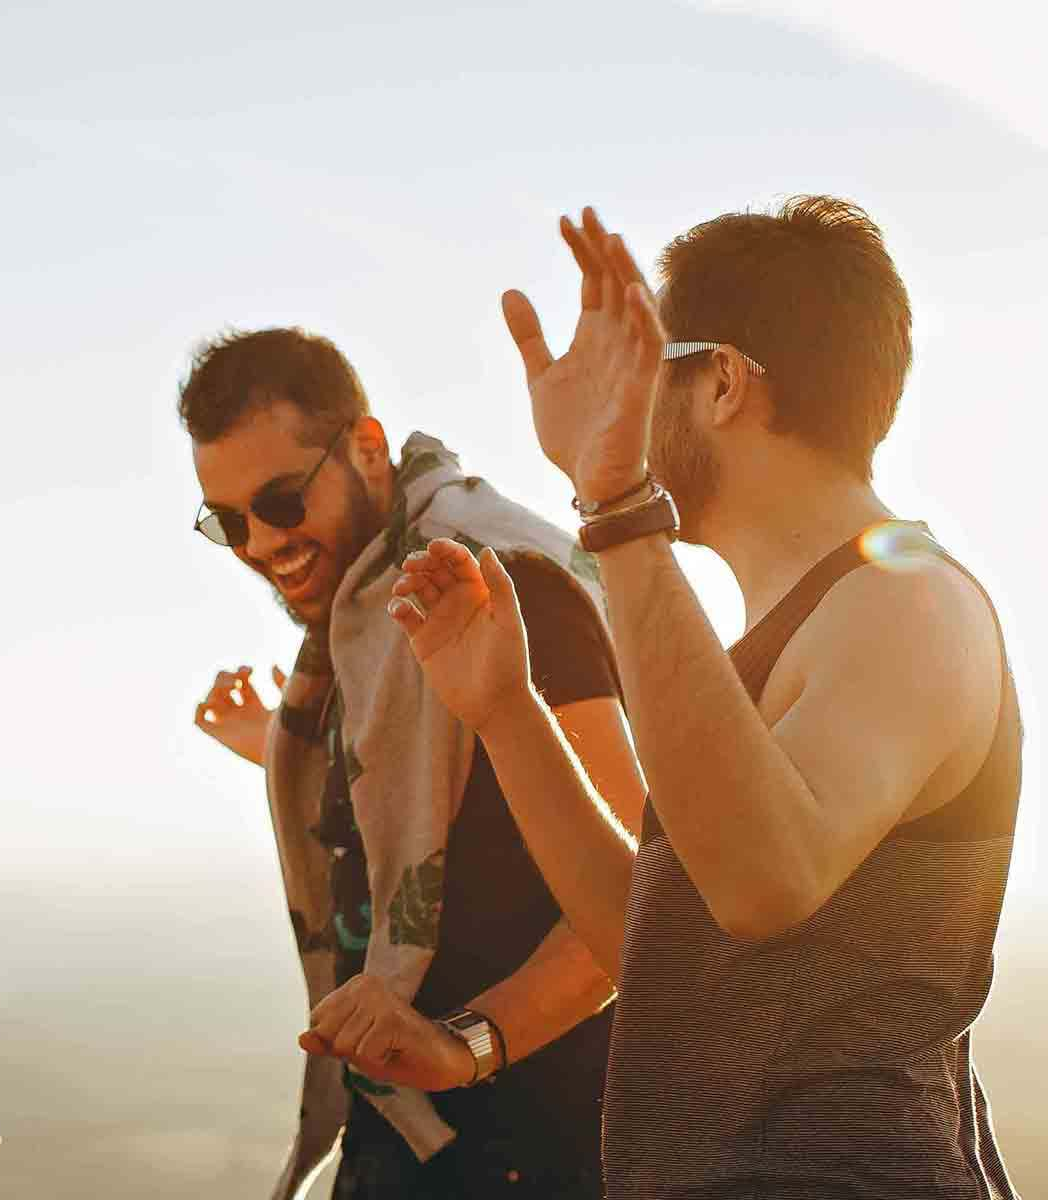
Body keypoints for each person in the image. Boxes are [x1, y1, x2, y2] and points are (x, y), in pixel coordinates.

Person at [319, 199, 1022, 1197]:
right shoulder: (782, 634)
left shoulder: (906, 596)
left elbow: (761, 883)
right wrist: (508, 714)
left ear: (724, 383)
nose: (626, 404)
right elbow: (663, 951)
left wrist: (614, 506)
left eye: (649, 367)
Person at [181, 328, 646, 1199]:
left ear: (365, 448)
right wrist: (281, 753)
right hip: (403, 1138)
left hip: (537, 1149)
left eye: (280, 501)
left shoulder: (503, 585)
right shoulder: (363, 622)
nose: (257, 543)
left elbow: (635, 898)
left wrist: (467, 1045)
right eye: (227, 521)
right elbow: (441, 809)